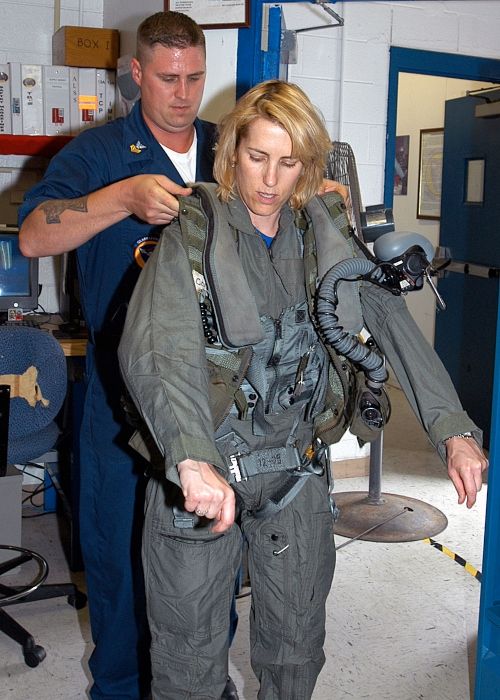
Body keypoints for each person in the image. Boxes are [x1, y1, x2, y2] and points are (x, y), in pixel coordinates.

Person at [117, 79, 488, 699]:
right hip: (205, 472)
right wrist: (189, 458)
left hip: (296, 473)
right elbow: (159, 346)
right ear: (232, 150)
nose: (269, 179)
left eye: (288, 163)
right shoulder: (192, 234)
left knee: (295, 656)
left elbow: (391, 322)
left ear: (308, 167)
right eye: (257, 157)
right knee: (188, 665)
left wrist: (450, 427)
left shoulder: (326, 237)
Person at [17, 11, 236, 700]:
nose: (182, 92)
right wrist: (121, 199)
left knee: (210, 552)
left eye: (195, 77)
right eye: (167, 77)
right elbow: (31, 237)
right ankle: (117, 685)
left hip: (215, 397)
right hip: (123, 398)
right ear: (135, 74)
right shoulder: (99, 153)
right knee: (117, 551)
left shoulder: (227, 148)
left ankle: (203, 679)